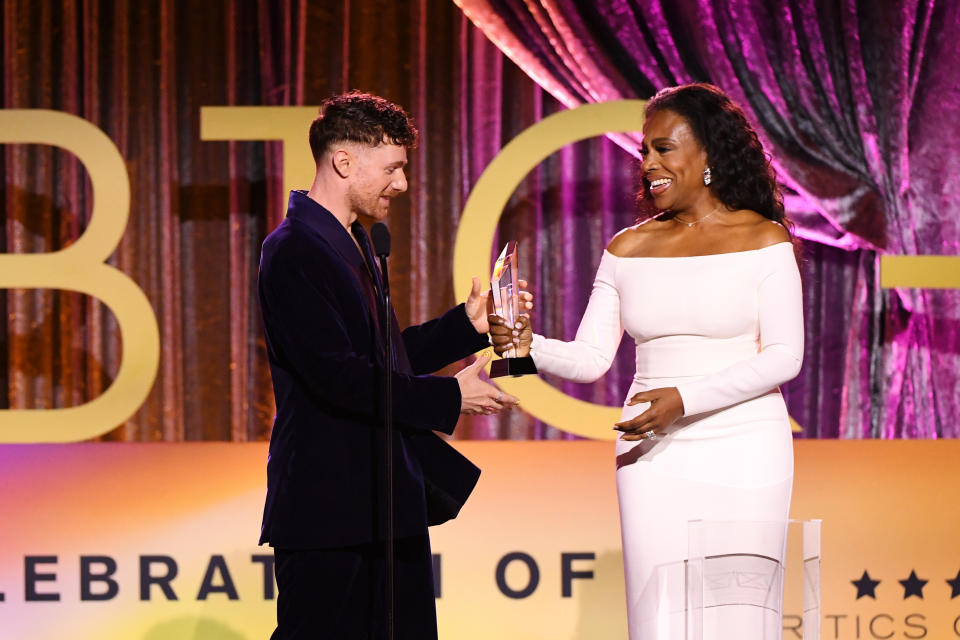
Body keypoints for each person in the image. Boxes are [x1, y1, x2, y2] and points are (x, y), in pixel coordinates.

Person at [491, 83, 804, 639]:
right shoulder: (627, 248)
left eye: (665, 149)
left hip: (746, 448)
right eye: (644, 152)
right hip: (651, 454)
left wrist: (685, 401)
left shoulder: (764, 238)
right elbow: (591, 359)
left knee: (737, 622)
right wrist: (522, 344)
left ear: (708, 153)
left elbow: (785, 356)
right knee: (658, 621)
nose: (649, 165)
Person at [258, 91, 521, 640]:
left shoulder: (352, 243)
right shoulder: (294, 250)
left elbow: (381, 356)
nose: (401, 184)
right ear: (344, 161)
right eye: (394, 168)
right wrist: (449, 398)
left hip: (383, 498)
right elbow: (337, 376)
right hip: (330, 508)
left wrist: (464, 327)